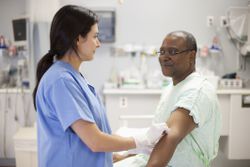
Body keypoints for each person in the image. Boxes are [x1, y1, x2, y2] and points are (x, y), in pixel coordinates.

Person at [32, 5, 168, 167]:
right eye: (95, 36)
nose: (98, 43)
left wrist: (123, 154)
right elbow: (94, 141)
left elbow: (85, 143)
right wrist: (141, 140)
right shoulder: (61, 81)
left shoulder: (75, 78)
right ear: (77, 39)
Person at [114, 31, 221, 167]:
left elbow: (169, 137)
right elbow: (157, 138)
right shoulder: (173, 86)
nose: (164, 57)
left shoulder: (196, 92)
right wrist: (125, 156)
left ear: (191, 55)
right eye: (162, 52)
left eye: (173, 52)